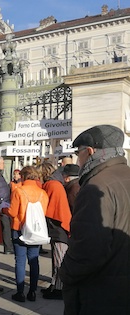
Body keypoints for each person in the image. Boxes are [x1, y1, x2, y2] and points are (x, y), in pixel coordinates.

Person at [61, 125, 130, 315]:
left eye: (78, 153)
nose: (78, 159)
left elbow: (89, 248)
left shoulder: (95, 187)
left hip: (100, 291)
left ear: (90, 152)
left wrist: (65, 272)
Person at [4, 165, 49, 303]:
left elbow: (12, 212)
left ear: (23, 176)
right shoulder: (43, 193)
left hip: (19, 228)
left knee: (20, 260)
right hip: (35, 230)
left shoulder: (19, 191)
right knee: (34, 260)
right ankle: (33, 292)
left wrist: (4, 210)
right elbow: (44, 213)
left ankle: (20, 292)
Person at [38, 162, 71, 300]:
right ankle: (55, 286)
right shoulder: (54, 184)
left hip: (59, 228)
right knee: (57, 260)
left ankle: (59, 289)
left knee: (59, 261)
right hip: (58, 227)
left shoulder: (52, 185)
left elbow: (52, 209)